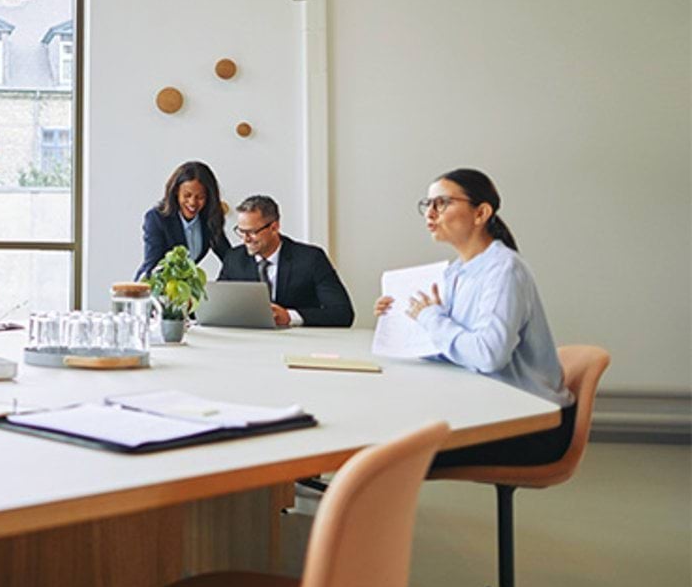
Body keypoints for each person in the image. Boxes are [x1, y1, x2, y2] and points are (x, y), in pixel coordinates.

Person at [375, 168, 575, 468]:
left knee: (388, 449)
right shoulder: (456, 271)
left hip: (531, 425)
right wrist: (400, 317)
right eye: (427, 204)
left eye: (441, 203)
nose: (430, 213)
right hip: (489, 406)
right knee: (386, 429)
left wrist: (431, 318)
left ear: (480, 213)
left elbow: (487, 355)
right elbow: (456, 346)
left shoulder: (503, 270)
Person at [219, 195, 354, 327]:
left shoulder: (311, 259)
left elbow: (342, 314)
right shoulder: (234, 258)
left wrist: (290, 317)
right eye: (241, 231)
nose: (245, 239)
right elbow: (218, 306)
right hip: (248, 341)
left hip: (298, 342)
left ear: (274, 227)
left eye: (252, 232)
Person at [137, 161, 229, 278]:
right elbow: (153, 265)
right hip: (155, 285)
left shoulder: (209, 218)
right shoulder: (157, 219)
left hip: (184, 289)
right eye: (187, 195)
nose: (192, 202)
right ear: (176, 192)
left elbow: (228, 258)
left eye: (200, 197)